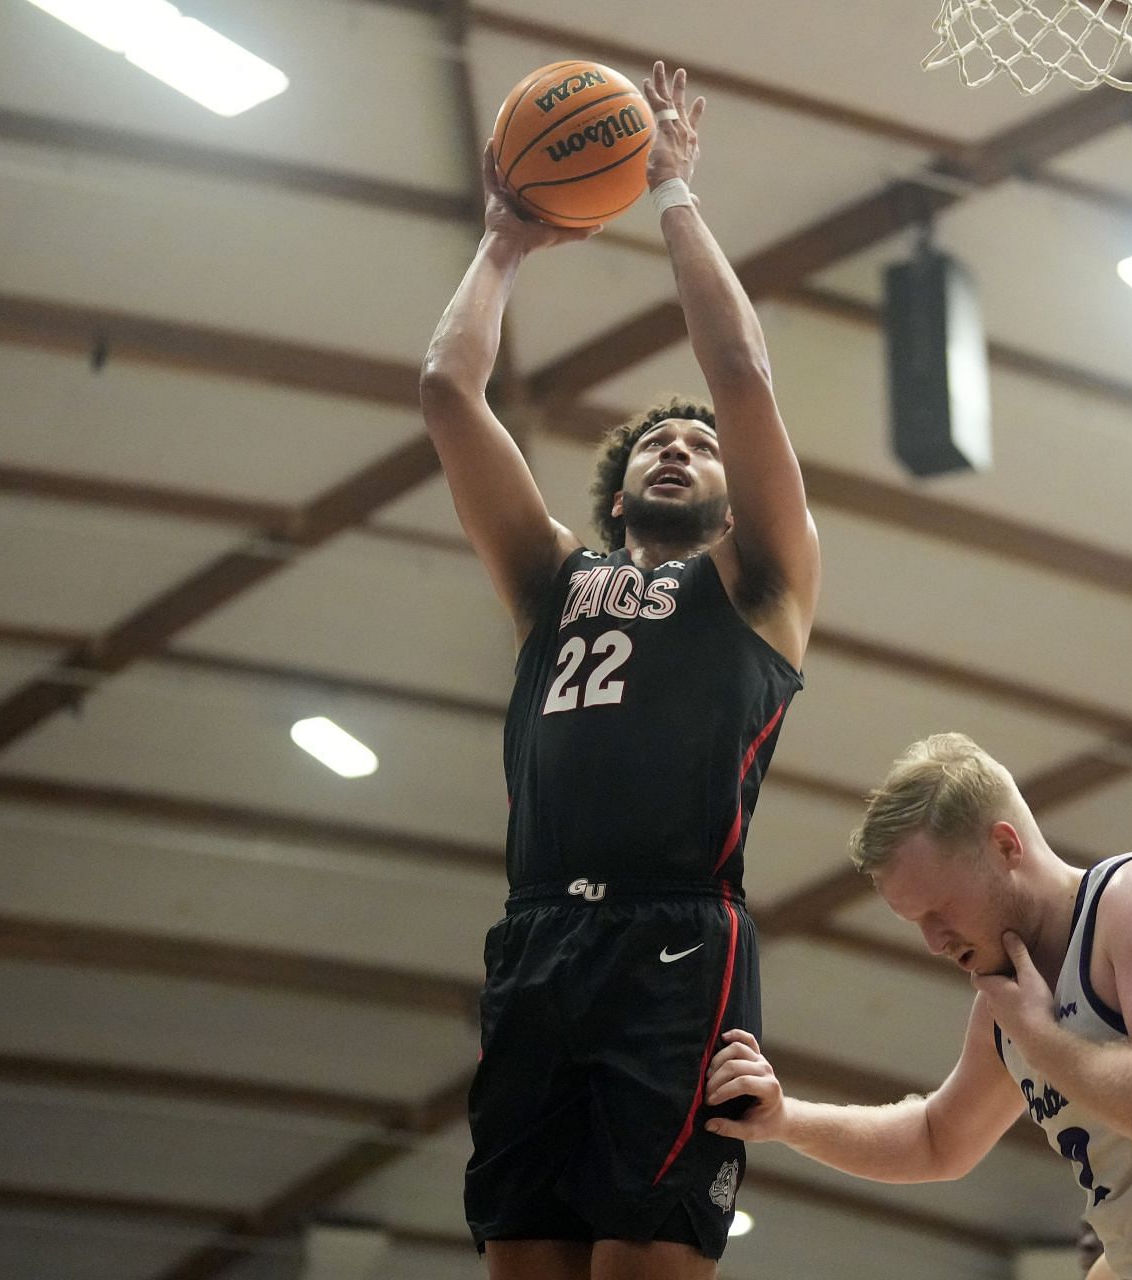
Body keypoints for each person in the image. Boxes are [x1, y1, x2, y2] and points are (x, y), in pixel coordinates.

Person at [419, 61, 819, 1280]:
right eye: (657, 438)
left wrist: (674, 195)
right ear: (617, 484)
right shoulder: (554, 578)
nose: (682, 446)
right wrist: (501, 245)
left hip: (678, 944)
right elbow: (445, 389)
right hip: (537, 938)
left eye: (699, 445)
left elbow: (742, 376)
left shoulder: (760, 585)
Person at [705, 733, 1132, 1280]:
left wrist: (1043, 1040)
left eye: (940, 910)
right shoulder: (1008, 1005)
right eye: (913, 921)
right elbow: (935, 1140)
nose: (931, 942)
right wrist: (786, 1119)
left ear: (1006, 845)